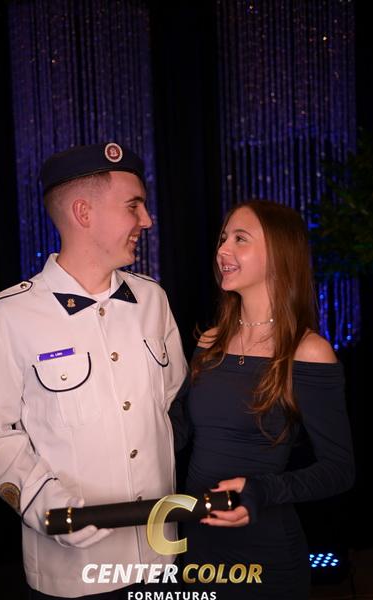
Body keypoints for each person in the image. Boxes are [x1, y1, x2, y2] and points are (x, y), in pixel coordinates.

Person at [0, 142, 187, 599]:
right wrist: (51, 508)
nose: (147, 221)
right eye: (133, 206)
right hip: (74, 571)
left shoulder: (153, 300)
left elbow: (169, 402)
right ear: (83, 213)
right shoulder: (8, 315)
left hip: (161, 556)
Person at [177, 200, 355, 599]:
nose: (223, 250)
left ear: (279, 253)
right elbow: (179, 431)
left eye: (240, 239)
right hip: (198, 549)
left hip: (265, 555)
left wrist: (261, 491)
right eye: (223, 238)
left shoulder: (308, 352)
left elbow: (339, 470)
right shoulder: (209, 342)